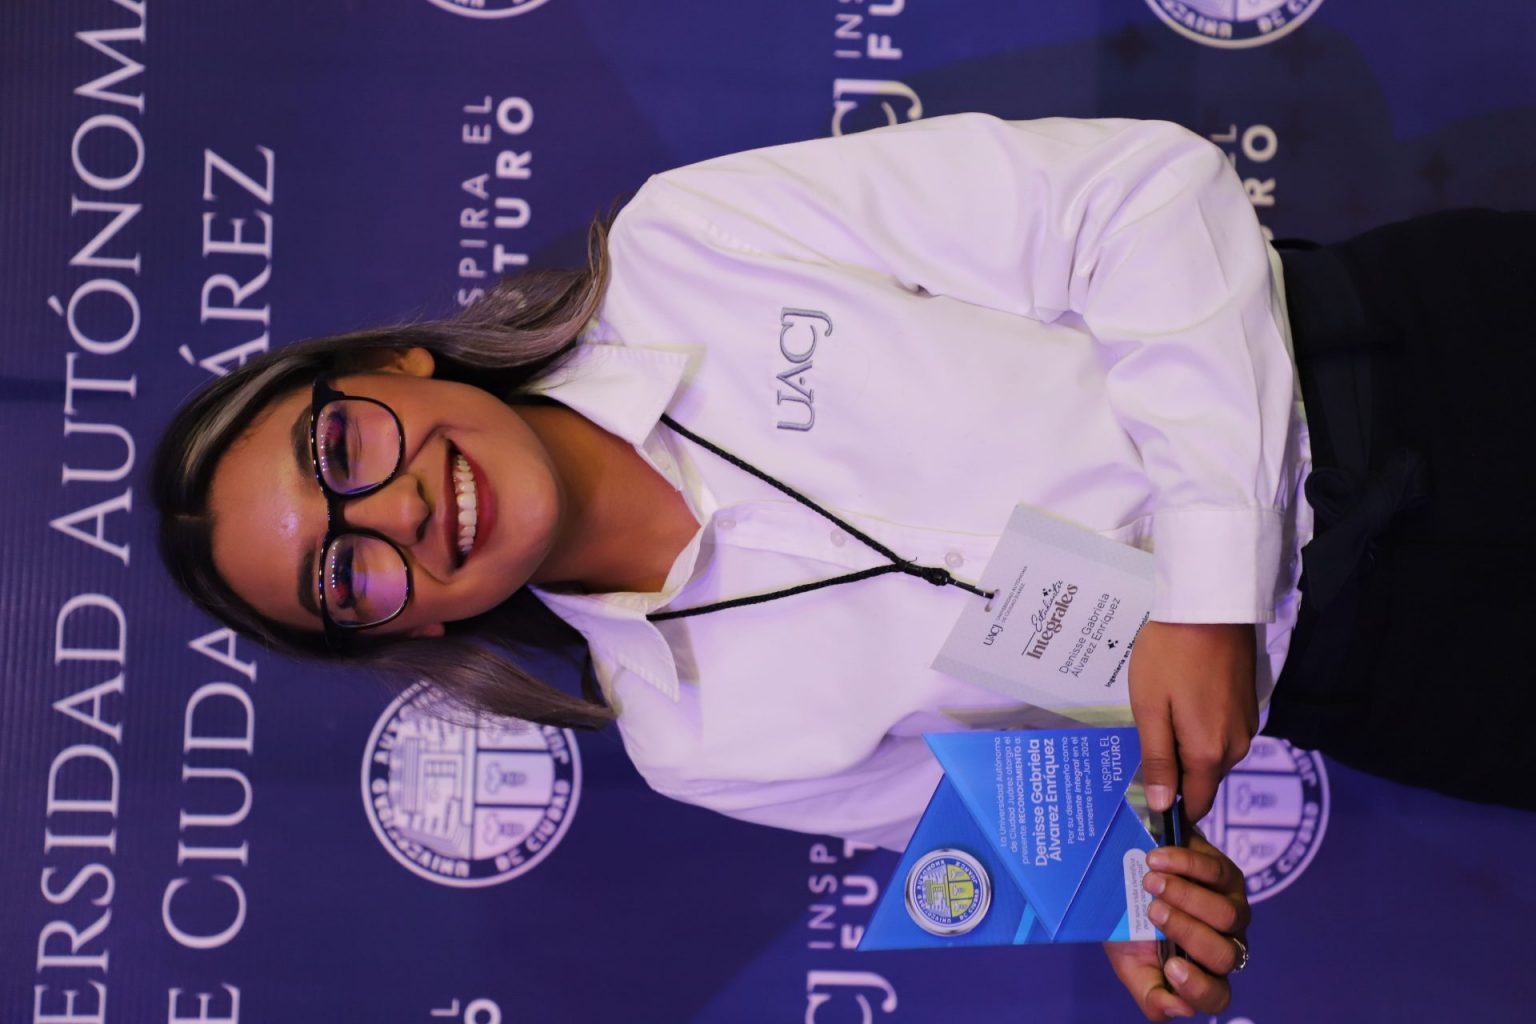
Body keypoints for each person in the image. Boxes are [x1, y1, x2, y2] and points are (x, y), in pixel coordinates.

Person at [157, 113, 1513, 1019]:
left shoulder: (686, 244)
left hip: (1428, 365)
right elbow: (1060, 817)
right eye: (345, 576)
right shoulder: (692, 743)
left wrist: (1207, 592)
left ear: (390, 363)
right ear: (393, 631)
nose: (394, 512)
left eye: (340, 449)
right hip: (1398, 679)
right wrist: (1140, 898)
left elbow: (1141, 197)